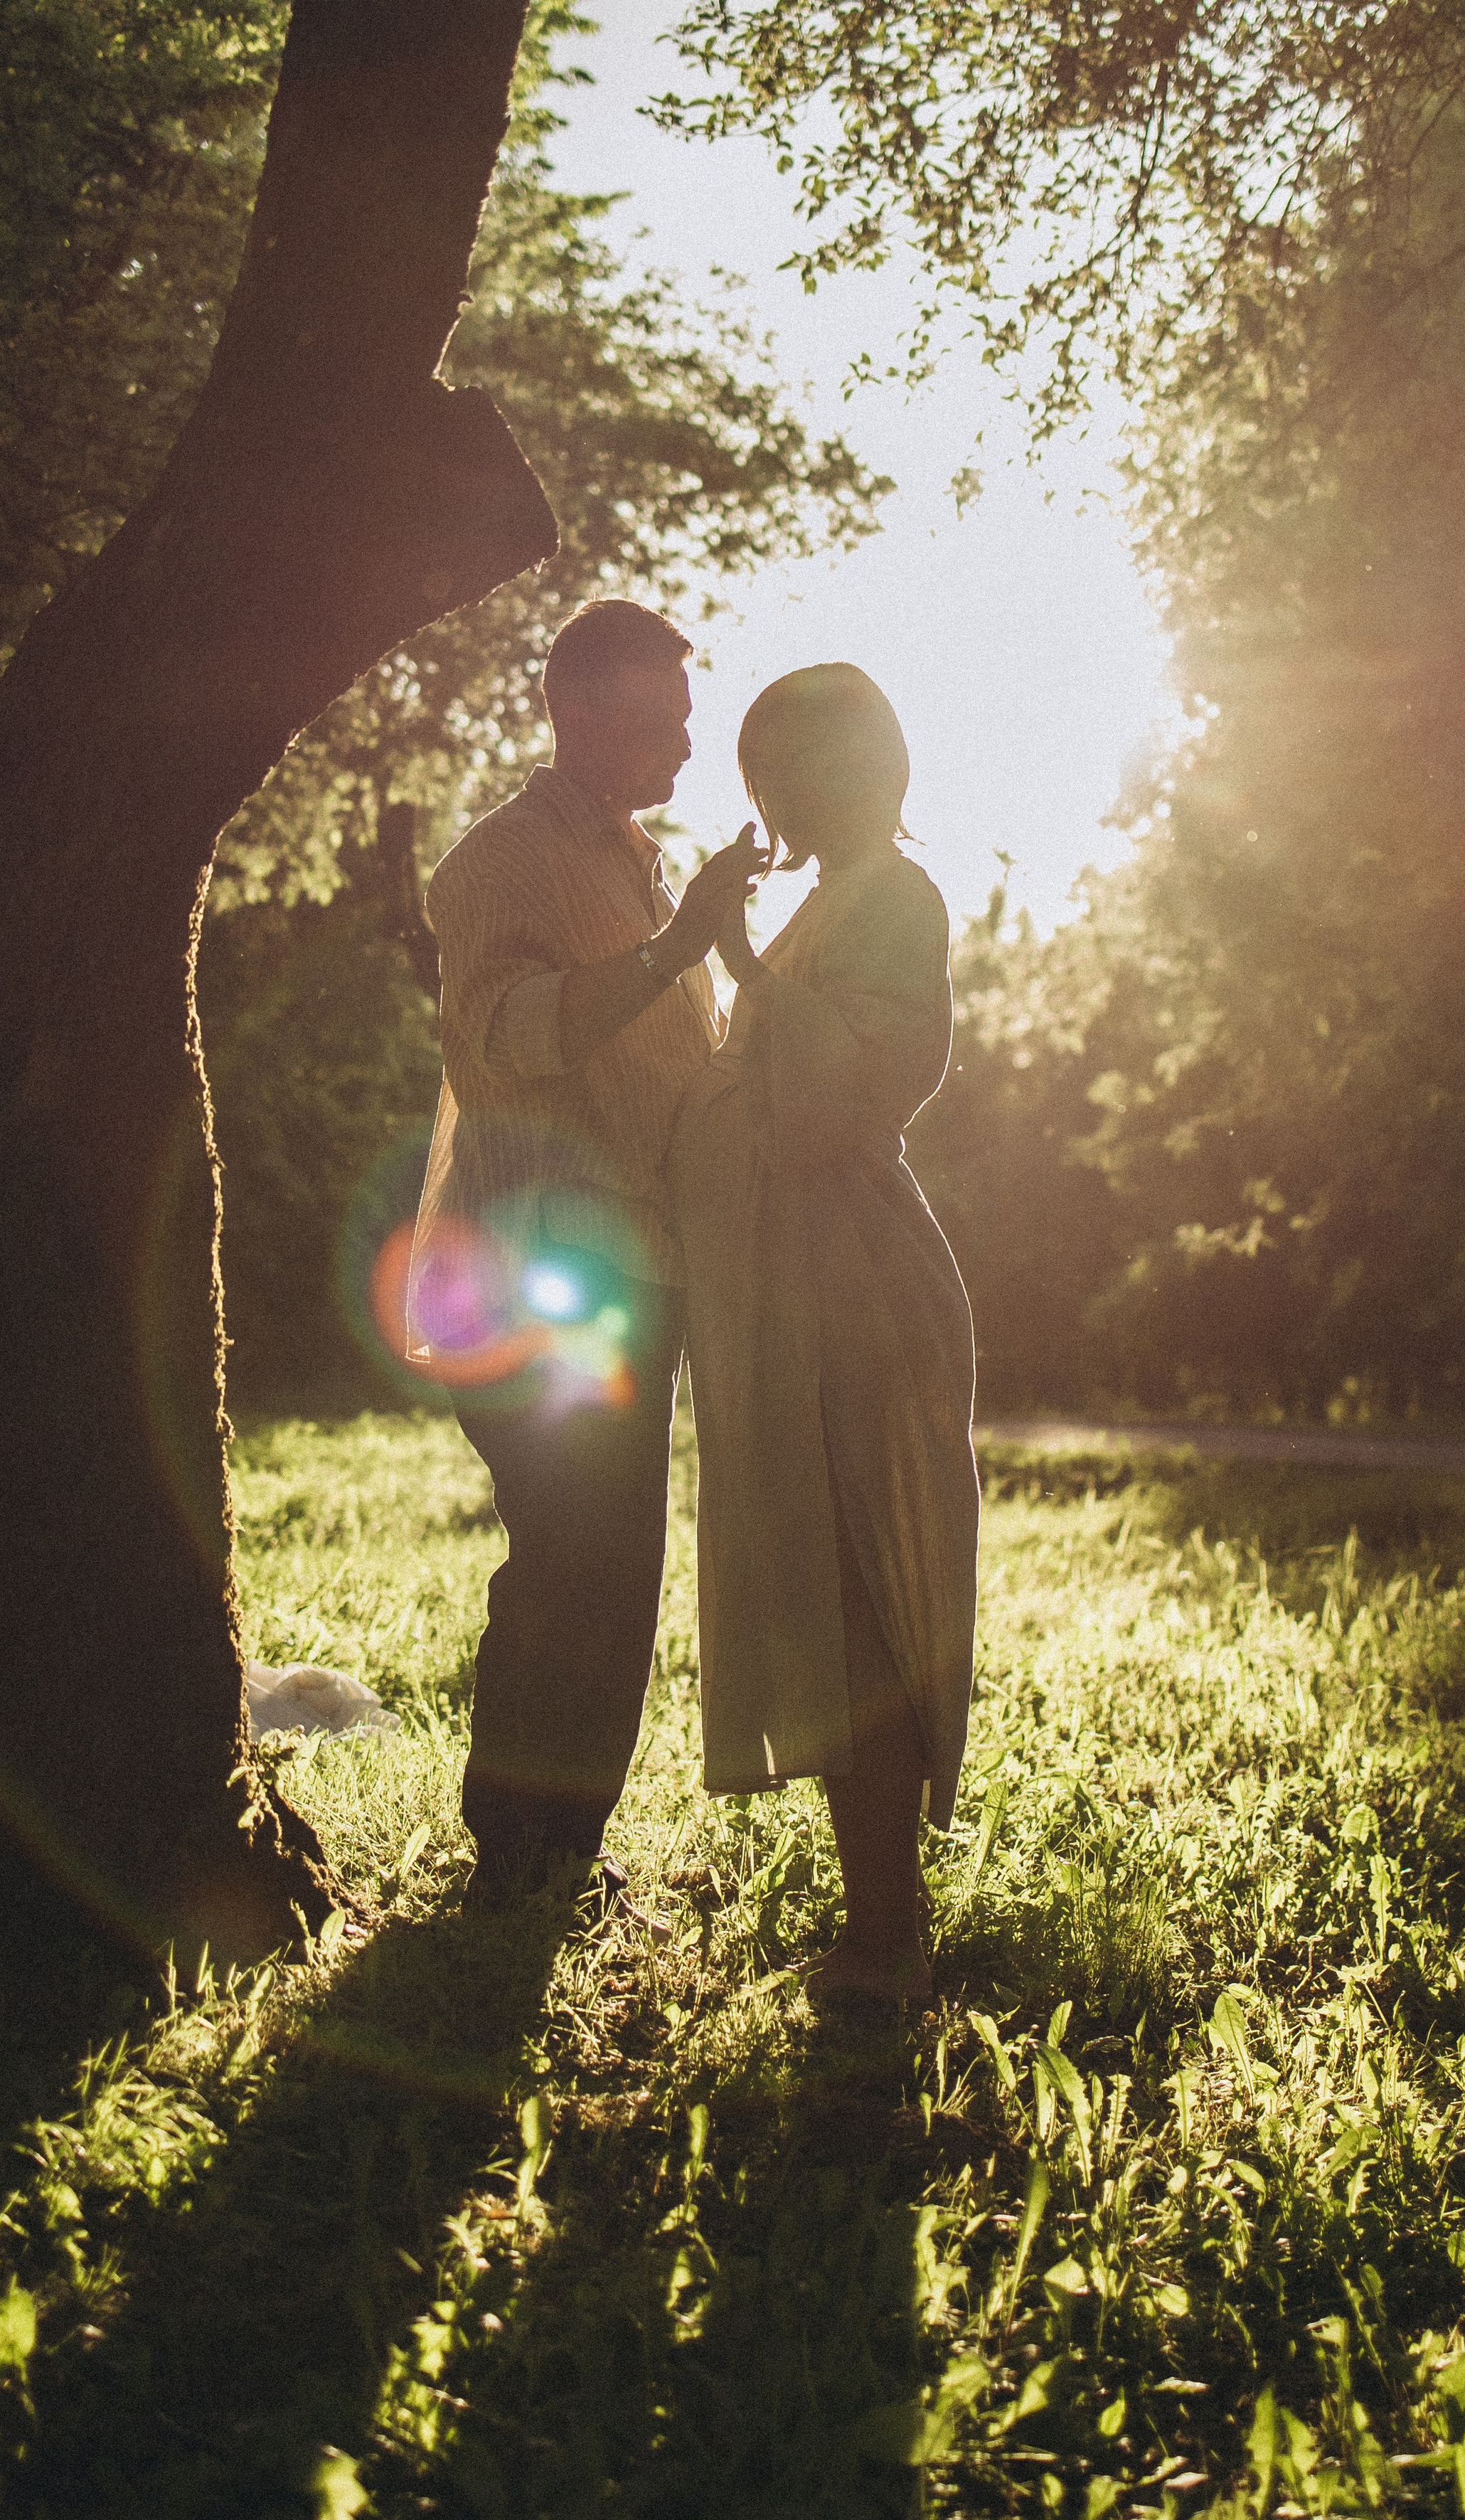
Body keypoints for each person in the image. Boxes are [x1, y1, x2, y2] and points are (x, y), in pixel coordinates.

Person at [411, 600, 761, 1905]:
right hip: (537, 1265)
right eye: (659, 720)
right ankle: (516, 1855)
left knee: (613, 1568)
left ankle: (563, 1852)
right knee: (572, 1560)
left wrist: (709, 938)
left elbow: (681, 1061)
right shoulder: (498, 861)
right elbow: (505, 1035)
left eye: (685, 719)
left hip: (635, 1269)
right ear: (575, 713)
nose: (684, 744)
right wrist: (676, 946)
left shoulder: (643, 863)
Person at [668, 664, 980, 2004]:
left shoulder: (897, 899)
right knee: (824, 1575)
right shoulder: (821, 906)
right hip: (789, 1284)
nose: (771, 799)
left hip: (853, 1278)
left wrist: (737, 965)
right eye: (761, 774)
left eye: (784, 771)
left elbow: (853, 1088)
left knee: (860, 1579)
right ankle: (879, 1918)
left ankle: (888, 1932)